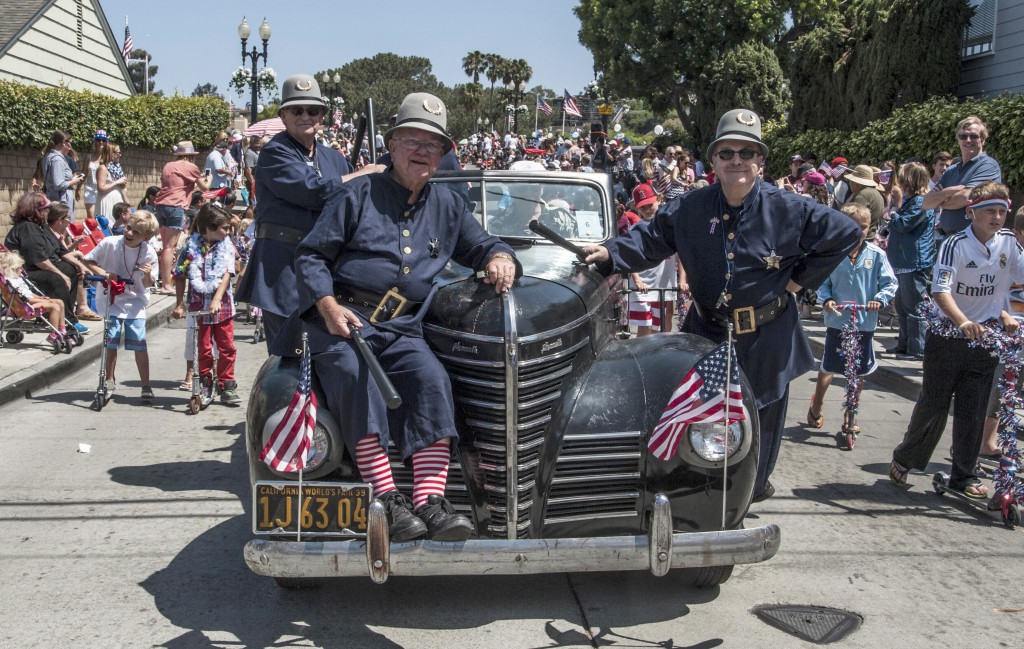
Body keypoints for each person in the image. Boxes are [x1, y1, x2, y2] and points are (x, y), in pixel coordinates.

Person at [582, 108, 860, 502]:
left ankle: (749, 495)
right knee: (699, 424)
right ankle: (701, 498)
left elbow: (845, 232)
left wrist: (798, 281)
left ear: (760, 161)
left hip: (767, 337)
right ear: (713, 159)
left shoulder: (789, 208)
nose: (737, 161)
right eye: (727, 153)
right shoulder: (690, 207)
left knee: (758, 428)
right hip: (707, 332)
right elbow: (649, 239)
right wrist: (610, 254)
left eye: (747, 153)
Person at [292, 92, 520, 542]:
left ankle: (430, 502)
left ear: (442, 154)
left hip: (401, 328)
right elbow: (311, 256)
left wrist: (500, 255)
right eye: (412, 140)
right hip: (344, 322)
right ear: (392, 145)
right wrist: (327, 305)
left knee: (432, 380)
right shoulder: (355, 193)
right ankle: (386, 498)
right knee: (357, 380)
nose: (422, 151)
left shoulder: (449, 205)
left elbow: (482, 244)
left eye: (432, 145)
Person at [889, 181, 1024, 499]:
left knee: (973, 408)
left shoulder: (1009, 245)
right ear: (970, 213)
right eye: (989, 211)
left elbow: (1018, 287)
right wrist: (962, 321)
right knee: (934, 404)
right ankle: (905, 458)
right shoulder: (956, 244)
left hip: (985, 339)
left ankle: (963, 474)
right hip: (948, 335)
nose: (996, 217)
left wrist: (1012, 317)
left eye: (1001, 211)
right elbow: (940, 290)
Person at [235, 73, 380, 353]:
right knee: (288, 359)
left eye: (312, 110)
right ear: (284, 116)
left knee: (331, 357)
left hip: (326, 268)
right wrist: (364, 174)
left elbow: (356, 204)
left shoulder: (334, 158)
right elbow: (313, 190)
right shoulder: (275, 153)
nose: (305, 116)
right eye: (296, 110)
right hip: (283, 269)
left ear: (322, 116)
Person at [807, 204, 897, 435]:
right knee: (829, 366)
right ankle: (817, 404)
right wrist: (826, 300)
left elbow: (889, 283)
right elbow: (822, 283)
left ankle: (851, 412)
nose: (858, 231)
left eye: (863, 227)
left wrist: (880, 299)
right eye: (852, 226)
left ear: (870, 228)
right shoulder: (833, 254)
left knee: (858, 371)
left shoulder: (877, 255)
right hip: (838, 319)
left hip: (864, 321)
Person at [82, 211, 159, 401]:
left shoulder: (148, 252)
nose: (130, 233)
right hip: (112, 300)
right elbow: (88, 259)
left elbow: (149, 284)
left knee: (139, 344)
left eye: (137, 232)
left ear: (147, 237)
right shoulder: (110, 243)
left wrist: (148, 275)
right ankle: (109, 379)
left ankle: (146, 384)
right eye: (129, 228)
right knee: (111, 340)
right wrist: (104, 273)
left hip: (135, 302)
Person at [171, 204, 240, 405]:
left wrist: (217, 298)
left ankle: (227, 384)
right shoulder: (189, 248)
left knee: (226, 346)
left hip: (223, 307)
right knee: (203, 347)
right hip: (198, 306)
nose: (227, 232)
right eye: (224, 228)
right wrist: (179, 304)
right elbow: (180, 275)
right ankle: (206, 381)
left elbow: (227, 273)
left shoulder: (226, 245)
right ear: (208, 228)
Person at [5, 193, 89, 334]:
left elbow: (61, 250)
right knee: (57, 278)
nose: (46, 213)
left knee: (72, 269)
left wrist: (80, 265)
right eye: (43, 209)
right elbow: (39, 260)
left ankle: (61, 314)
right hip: (25, 273)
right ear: (35, 210)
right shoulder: (27, 228)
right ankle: (69, 322)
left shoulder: (41, 226)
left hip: (40, 268)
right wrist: (62, 275)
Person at [886, 162, 936, 359]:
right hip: (903, 261)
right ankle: (904, 344)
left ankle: (917, 349)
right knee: (902, 306)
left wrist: (895, 208)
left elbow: (904, 225)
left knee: (914, 307)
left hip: (914, 261)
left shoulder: (922, 202)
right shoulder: (913, 200)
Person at [924, 116, 1002, 241]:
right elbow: (927, 202)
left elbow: (966, 197)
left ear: (982, 139)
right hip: (950, 239)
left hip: (976, 240)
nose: (968, 140)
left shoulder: (988, 166)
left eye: (974, 136)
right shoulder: (951, 170)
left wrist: (940, 202)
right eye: (963, 136)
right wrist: (949, 191)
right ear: (958, 140)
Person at [153, 142, 211, 296]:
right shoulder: (191, 167)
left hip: (161, 205)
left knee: (165, 245)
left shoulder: (168, 165)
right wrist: (209, 179)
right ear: (191, 155)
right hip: (176, 206)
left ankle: (165, 281)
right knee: (169, 248)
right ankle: (166, 284)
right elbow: (204, 188)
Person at [627, 183, 682, 336]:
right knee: (644, 325)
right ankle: (642, 357)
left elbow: (680, 255)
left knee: (662, 324)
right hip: (643, 283)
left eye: (650, 205)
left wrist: (683, 279)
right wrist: (637, 280)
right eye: (642, 207)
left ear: (658, 200)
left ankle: (661, 354)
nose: (647, 210)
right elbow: (629, 257)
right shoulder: (634, 230)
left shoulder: (670, 226)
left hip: (664, 282)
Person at [0, 250, 68, 347]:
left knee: (60, 302)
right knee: (55, 307)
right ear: (13, 269)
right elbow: (23, 298)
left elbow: (29, 294)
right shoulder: (11, 283)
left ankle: (62, 329)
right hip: (25, 308)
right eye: (19, 267)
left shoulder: (18, 279)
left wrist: (40, 297)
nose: (22, 269)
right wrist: (41, 300)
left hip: (30, 303)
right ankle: (53, 335)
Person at [41, 131, 85, 213]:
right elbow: (58, 185)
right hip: (60, 203)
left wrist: (72, 178)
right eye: (70, 142)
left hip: (54, 200)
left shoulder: (49, 156)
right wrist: (74, 181)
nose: (71, 146)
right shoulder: (57, 159)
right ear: (63, 143)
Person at [96, 142, 128, 220]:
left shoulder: (117, 168)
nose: (120, 155)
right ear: (111, 153)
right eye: (118, 152)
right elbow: (101, 188)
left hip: (117, 201)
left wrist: (127, 203)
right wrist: (117, 182)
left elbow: (122, 188)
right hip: (107, 200)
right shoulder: (103, 168)